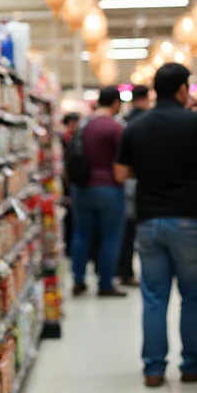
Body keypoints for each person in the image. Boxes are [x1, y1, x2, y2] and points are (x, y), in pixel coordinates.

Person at [114, 63, 197, 387]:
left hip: (149, 222)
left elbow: (120, 174)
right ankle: (191, 365)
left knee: (154, 297)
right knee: (192, 296)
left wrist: (147, 171)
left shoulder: (136, 126)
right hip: (191, 220)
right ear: (184, 89)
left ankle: (154, 370)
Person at [70, 86, 126, 298]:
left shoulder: (84, 125)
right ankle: (105, 283)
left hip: (82, 187)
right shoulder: (116, 128)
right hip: (109, 188)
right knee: (110, 237)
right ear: (115, 103)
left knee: (81, 234)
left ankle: (78, 280)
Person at [117, 85, 151, 286]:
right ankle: (139, 273)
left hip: (125, 181)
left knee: (127, 230)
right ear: (146, 98)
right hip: (146, 183)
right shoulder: (149, 122)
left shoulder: (125, 122)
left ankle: (125, 270)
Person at [60, 113, 80, 256]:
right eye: (71, 123)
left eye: (75, 123)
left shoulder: (79, 139)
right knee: (69, 218)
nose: (73, 126)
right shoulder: (63, 139)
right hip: (66, 185)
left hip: (76, 184)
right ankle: (69, 248)